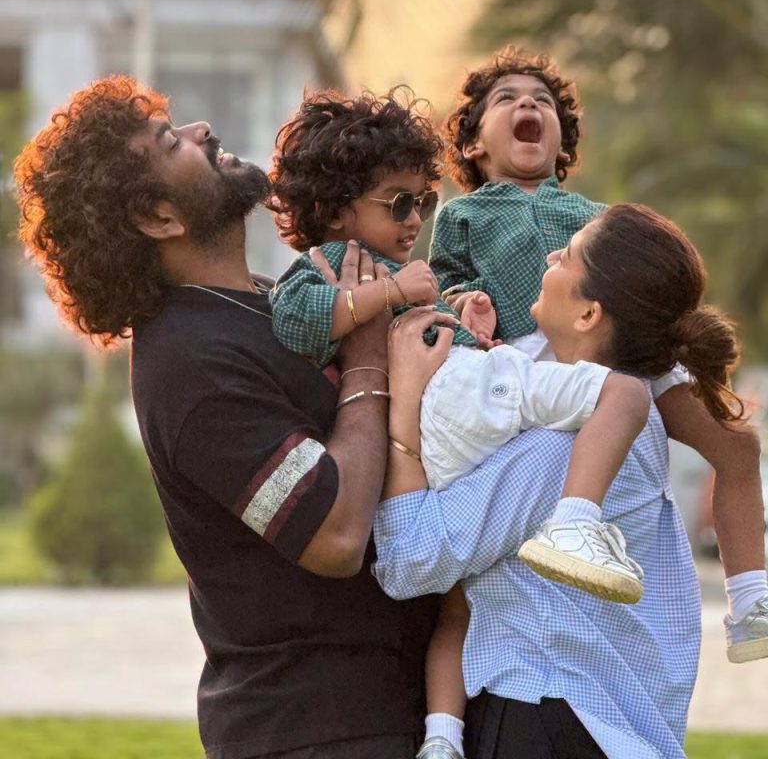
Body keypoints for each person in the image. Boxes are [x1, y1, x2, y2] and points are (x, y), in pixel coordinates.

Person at [13, 75, 439, 759]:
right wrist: (366, 362)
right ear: (160, 218)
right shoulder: (190, 364)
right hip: (318, 728)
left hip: (384, 711)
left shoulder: (269, 305)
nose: (201, 131)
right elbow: (333, 535)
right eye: (169, 142)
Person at [268, 89, 664, 757]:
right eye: (398, 203)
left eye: (423, 202)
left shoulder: (402, 272)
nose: (415, 219)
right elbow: (296, 318)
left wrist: (466, 321)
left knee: (463, 600)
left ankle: (443, 735)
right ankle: (576, 522)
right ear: (335, 210)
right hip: (454, 405)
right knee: (622, 395)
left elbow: (429, 333)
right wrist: (392, 293)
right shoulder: (328, 268)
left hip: (448, 418)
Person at [418, 46, 768, 758]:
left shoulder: (593, 214)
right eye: (507, 99)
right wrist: (465, 310)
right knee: (472, 585)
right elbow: (444, 287)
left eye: (542, 101)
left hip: (624, 354)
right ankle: (445, 727)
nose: (528, 106)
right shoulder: (463, 216)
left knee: (738, 445)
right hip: (529, 368)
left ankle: (752, 598)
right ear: (474, 145)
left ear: (562, 141)